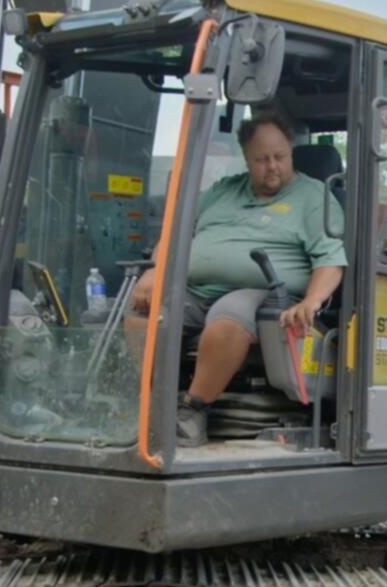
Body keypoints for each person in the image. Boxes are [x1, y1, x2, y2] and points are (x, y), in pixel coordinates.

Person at [125, 110, 345, 446]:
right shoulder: (222, 192)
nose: (272, 166)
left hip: (262, 292)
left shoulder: (313, 198)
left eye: (280, 157)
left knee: (229, 316)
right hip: (196, 290)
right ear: (246, 158)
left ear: (290, 152)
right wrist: (156, 270)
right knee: (145, 310)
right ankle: (149, 408)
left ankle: (193, 411)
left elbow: (330, 260)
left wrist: (312, 301)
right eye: (262, 159)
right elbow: (174, 235)